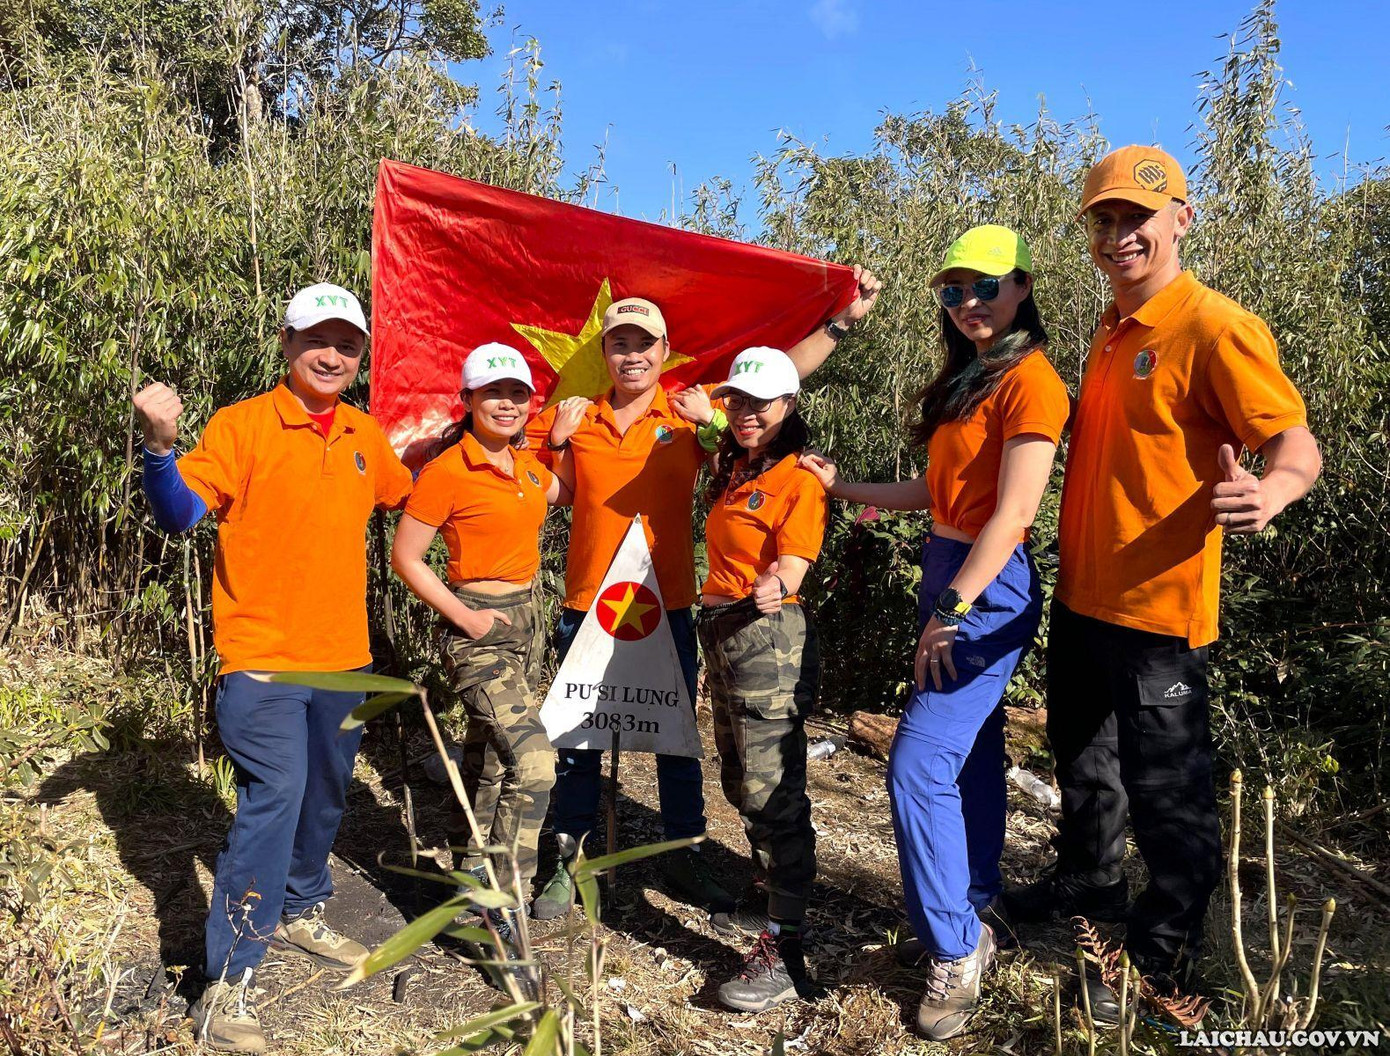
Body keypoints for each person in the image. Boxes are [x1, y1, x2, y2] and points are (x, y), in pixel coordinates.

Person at [1002, 146, 1322, 1017]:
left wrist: (1272, 492)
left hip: (1160, 612)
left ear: (1183, 218)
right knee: (1084, 762)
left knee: (1168, 794)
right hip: (1084, 597)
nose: (1119, 236)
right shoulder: (1113, 328)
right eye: (1104, 220)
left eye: (1137, 218)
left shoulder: (1215, 326)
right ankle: (1090, 885)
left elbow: (1294, 442)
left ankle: (1160, 959)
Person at [524, 270, 881, 921]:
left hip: (667, 604)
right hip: (588, 603)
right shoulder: (575, 416)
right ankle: (567, 861)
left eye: (645, 343)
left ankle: (684, 853)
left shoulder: (691, 413)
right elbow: (510, 455)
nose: (633, 355)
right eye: (620, 343)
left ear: (665, 351)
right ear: (604, 352)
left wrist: (840, 323)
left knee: (675, 740)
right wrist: (552, 444)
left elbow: (777, 376)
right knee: (578, 741)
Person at [801, 226, 1069, 1039]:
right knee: (971, 749)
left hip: (984, 586)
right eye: (953, 291)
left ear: (1022, 286)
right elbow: (938, 490)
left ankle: (955, 946)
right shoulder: (973, 379)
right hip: (950, 568)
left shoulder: (1033, 382)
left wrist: (952, 609)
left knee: (918, 765)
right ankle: (975, 898)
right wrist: (843, 487)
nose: (967, 304)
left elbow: (1013, 515)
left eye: (984, 286)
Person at [134, 283, 413, 1054]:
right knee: (277, 797)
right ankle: (227, 983)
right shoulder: (243, 425)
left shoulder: (363, 432)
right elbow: (180, 513)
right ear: (286, 344)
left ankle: (300, 905)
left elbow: (413, 495)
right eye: (316, 340)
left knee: (325, 795)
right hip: (261, 658)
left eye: (347, 344)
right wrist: (159, 448)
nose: (331, 355)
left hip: (345, 661)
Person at [390, 345, 580, 930]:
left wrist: (559, 444)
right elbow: (406, 557)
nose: (507, 403)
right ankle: (505, 898)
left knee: (492, 757)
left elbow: (565, 494)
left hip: (527, 620)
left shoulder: (526, 467)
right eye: (493, 392)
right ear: (468, 399)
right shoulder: (447, 472)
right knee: (535, 763)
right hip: (477, 627)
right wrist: (465, 618)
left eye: (517, 394)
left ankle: (470, 866)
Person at [674, 347, 828, 1012]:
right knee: (740, 778)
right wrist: (708, 414)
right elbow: (713, 417)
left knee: (773, 792)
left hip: (767, 638)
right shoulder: (738, 464)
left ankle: (785, 949)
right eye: (737, 400)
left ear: (788, 405)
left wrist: (779, 582)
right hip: (724, 634)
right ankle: (769, 895)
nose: (745, 413)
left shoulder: (800, 477)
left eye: (761, 403)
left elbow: (794, 560)